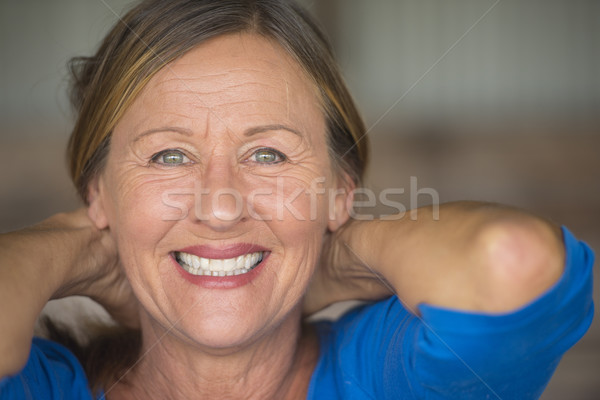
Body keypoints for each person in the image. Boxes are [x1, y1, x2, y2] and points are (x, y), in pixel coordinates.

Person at [0, 0, 594, 399]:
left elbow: (508, 261)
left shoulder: (383, 377)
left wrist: (336, 261)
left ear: (340, 192)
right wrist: (73, 247)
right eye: (169, 156)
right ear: (98, 194)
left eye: (269, 155)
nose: (222, 205)